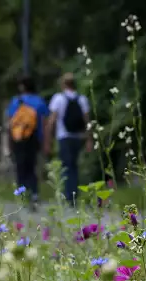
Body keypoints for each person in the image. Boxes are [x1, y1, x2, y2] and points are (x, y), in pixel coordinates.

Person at [45, 73, 92, 206]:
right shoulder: (82, 99)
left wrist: (48, 140)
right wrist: (89, 140)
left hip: (63, 137)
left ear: (63, 84)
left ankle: (69, 196)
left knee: (66, 166)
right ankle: (74, 195)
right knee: (74, 166)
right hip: (77, 137)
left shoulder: (58, 98)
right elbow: (87, 121)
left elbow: (52, 120)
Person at [7, 75, 50, 211]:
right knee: (32, 167)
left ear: (22, 87)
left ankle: (22, 194)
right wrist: (45, 142)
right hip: (33, 139)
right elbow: (43, 124)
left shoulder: (16, 101)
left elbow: (11, 123)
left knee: (20, 167)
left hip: (18, 138)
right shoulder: (39, 102)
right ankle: (34, 194)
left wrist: (9, 142)